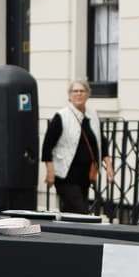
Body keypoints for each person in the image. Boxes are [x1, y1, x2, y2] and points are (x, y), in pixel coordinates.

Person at [41, 79, 113, 214]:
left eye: (82, 91)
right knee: (81, 211)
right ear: (69, 95)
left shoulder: (93, 115)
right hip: (65, 175)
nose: (78, 94)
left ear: (87, 95)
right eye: (75, 91)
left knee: (71, 213)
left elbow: (101, 142)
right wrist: (50, 172)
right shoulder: (62, 116)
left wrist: (108, 165)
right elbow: (47, 146)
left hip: (85, 175)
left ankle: (62, 233)